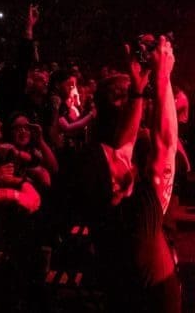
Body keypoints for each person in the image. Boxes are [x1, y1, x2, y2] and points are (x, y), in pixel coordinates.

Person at [75, 37, 180, 313]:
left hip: (120, 291)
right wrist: (162, 77)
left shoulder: (104, 201)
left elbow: (124, 144)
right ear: (115, 182)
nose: (120, 154)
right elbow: (165, 144)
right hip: (156, 300)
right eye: (113, 159)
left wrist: (137, 89)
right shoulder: (140, 214)